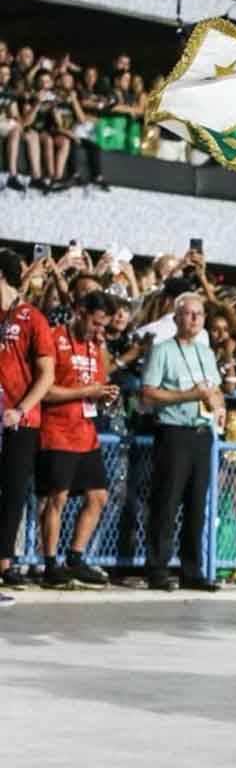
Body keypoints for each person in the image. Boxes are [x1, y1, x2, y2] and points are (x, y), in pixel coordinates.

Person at [140, 292, 224, 592]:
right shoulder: (162, 350)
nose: (195, 319)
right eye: (189, 313)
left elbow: (215, 389)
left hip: (202, 432)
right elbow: (148, 392)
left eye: (199, 314)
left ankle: (192, 570)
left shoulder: (206, 352)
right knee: (167, 501)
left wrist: (219, 406)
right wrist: (188, 395)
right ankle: (158, 568)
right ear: (176, 318)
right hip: (174, 430)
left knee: (196, 504)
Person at [35, 291, 118, 589]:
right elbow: (45, 390)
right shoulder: (54, 338)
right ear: (80, 312)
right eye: (96, 323)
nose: (99, 330)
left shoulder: (95, 346)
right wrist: (86, 392)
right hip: (57, 429)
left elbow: (98, 383)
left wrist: (104, 395)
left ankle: (76, 557)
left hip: (85, 430)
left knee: (98, 496)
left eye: (104, 326)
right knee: (56, 497)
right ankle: (49, 564)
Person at [0, 248, 56, 605]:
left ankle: (3, 566)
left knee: (11, 494)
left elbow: (46, 374)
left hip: (19, 419)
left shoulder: (32, 318)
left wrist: (21, 409)